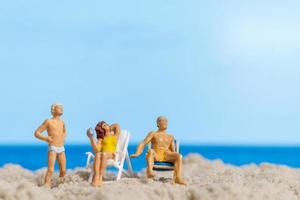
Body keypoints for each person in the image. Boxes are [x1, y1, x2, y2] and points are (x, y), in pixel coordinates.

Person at [131, 116, 186, 185]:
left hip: (166, 155)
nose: (165, 122)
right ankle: (149, 171)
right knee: (150, 151)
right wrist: (137, 152)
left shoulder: (170, 136)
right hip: (156, 154)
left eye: (166, 121)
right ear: (157, 124)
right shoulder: (153, 133)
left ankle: (178, 178)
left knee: (179, 155)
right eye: (162, 120)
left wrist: (176, 156)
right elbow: (143, 142)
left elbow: (173, 151)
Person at [34, 103, 67, 187]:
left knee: (63, 170)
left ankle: (61, 186)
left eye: (61, 107)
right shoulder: (48, 121)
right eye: (59, 108)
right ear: (54, 110)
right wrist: (45, 138)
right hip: (53, 147)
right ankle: (47, 186)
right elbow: (36, 133)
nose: (61, 109)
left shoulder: (62, 122)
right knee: (51, 169)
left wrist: (63, 138)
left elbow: (64, 131)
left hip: (61, 148)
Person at [87, 121, 120, 187]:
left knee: (104, 154)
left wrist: (108, 128)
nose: (107, 125)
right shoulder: (101, 139)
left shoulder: (114, 136)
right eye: (104, 125)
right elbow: (97, 150)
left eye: (106, 124)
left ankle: (100, 176)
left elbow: (116, 125)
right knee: (98, 154)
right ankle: (96, 176)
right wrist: (91, 138)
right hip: (102, 154)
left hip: (111, 154)